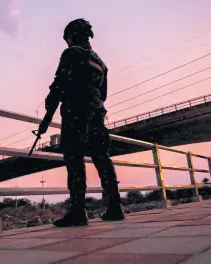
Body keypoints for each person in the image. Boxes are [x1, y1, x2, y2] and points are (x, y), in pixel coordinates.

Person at [43, 18, 124, 227]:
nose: (67, 42)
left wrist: (48, 112)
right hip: (97, 112)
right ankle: (115, 206)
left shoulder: (71, 53)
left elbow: (58, 85)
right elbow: (103, 94)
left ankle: (78, 211)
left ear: (72, 35)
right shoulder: (101, 63)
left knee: (74, 158)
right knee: (101, 157)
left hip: (75, 111)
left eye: (67, 38)